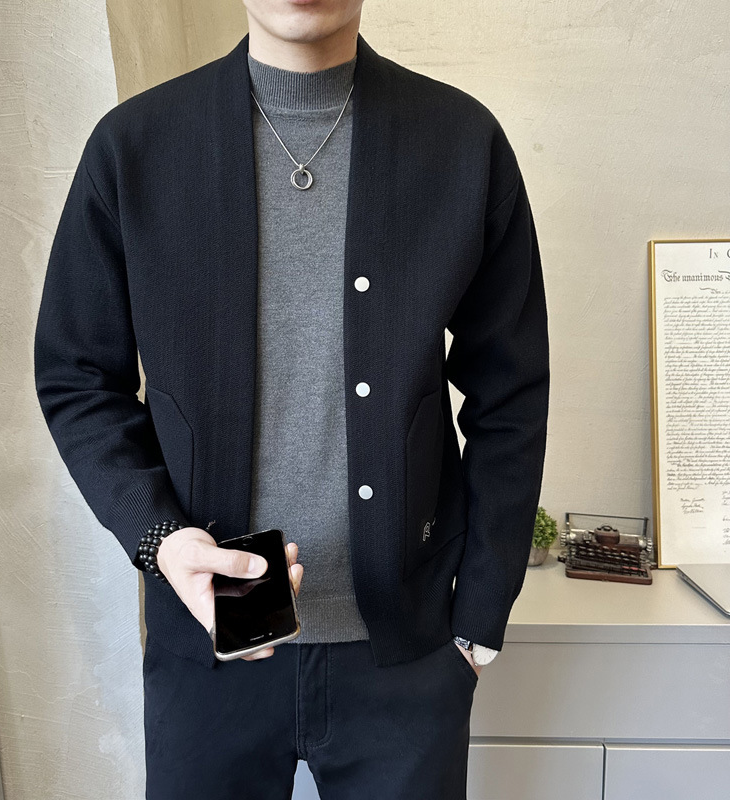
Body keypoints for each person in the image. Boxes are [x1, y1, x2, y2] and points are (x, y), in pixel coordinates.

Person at [34, 0, 550, 797]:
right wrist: (159, 537)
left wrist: (480, 614)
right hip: (208, 649)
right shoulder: (135, 146)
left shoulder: (461, 143)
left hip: (408, 652)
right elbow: (75, 375)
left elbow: (510, 390)